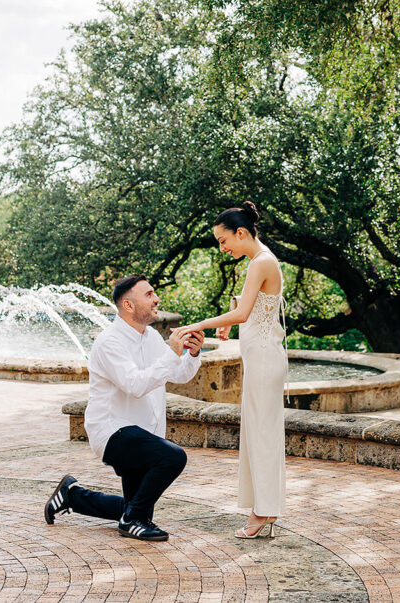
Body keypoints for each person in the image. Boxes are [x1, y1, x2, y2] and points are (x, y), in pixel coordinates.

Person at [45, 274, 204, 541]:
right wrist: (171, 353)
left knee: (137, 507)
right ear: (129, 305)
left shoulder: (151, 337)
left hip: (143, 434)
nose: (157, 299)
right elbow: (135, 384)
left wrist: (192, 354)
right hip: (113, 432)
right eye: (149, 294)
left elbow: (177, 374)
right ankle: (131, 521)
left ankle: (73, 495)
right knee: (173, 458)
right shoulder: (110, 342)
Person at [173, 201, 286, 539]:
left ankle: (263, 511)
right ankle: (263, 507)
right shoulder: (260, 260)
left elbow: (243, 314)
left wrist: (199, 324)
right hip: (260, 359)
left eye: (223, 241)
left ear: (240, 233)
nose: (222, 248)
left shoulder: (261, 262)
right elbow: (255, 307)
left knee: (262, 435)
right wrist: (233, 316)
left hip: (265, 360)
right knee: (257, 433)